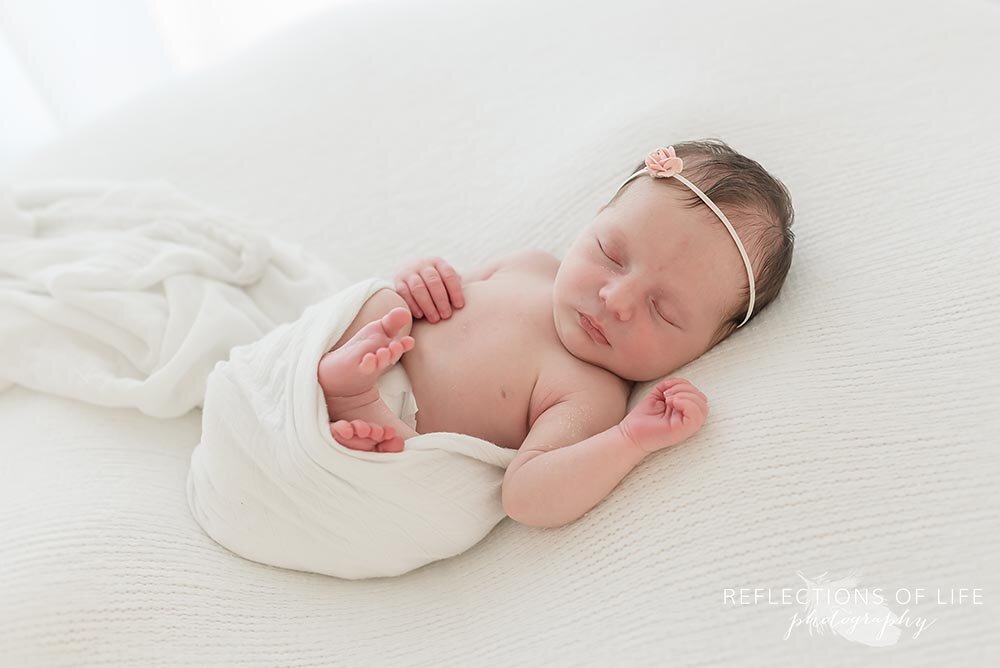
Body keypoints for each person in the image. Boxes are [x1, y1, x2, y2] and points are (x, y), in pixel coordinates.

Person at [317, 138, 795, 527]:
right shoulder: (530, 265)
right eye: (611, 253)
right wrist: (420, 277)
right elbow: (438, 296)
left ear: (707, 348)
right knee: (382, 303)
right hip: (363, 350)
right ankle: (342, 382)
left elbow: (527, 497)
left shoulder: (591, 395)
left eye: (663, 310)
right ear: (596, 218)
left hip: (394, 437)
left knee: (425, 478)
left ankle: (356, 402)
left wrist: (631, 439)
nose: (617, 300)